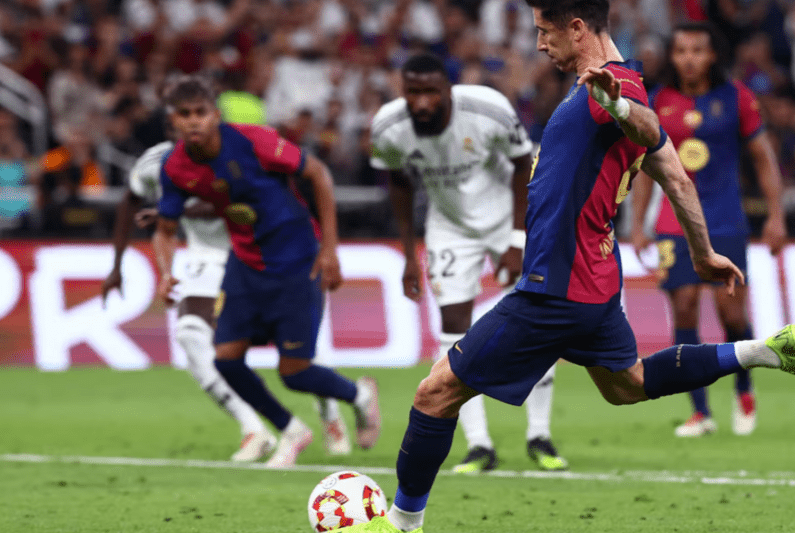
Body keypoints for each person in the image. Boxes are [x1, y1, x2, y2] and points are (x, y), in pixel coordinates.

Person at [321, 0, 795, 533]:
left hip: (555, 288)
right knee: (628, 385)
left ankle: (402, 525)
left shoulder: (612, 89)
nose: (540, 44)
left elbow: (641, 124)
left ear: (577, 28)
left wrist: (618, 108)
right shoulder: (604, 86)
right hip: (591, 282)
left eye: (546, 32)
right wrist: (703, 250)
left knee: (435, 393)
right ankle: (767, 349)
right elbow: (673, 172)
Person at [151, 74, 381, 468]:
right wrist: (165, 270)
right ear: (172, 120)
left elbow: (318, 175)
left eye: (200, 112)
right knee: (224, 359)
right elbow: (165, 229)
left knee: (294, 373)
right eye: (184, 114)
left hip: (296, 261)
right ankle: (292, 430)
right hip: (245, 263)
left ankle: (358, 396)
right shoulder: (175, 167)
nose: (193, 122)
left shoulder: (253, 141)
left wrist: (329, 250)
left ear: (214, 114)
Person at [370, 52, 568, 474]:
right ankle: (479, 445)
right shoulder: (389, 128)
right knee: (454, 330)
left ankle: (539, 435)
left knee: (541, 318)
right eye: (413, 93)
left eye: (430, 92)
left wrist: (517, 239)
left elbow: (523, 166)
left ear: (448, 90)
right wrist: (409, 254)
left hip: (508, 219)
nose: (421, 103)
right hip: (449, 229)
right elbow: (399, 185)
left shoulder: (486, 108)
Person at [102, 139, 354, 461]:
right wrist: (116, 265)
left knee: (295, 349)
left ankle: (329, 408)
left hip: (259, 250)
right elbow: (129, 200)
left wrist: (175, 210)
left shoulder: (239, 150)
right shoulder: (157, 162)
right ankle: (254, 429)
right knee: (191, 334)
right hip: (205, 255)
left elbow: (236, 204)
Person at [630, 22, 787, 438]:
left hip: (724, 219)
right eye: (681, 50)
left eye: (697, 50)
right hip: (672, 222)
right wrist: (638, 222)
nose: (689, 58)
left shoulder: (737, 97)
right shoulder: (657, 100)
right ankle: (700, 412)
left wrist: (776, 216)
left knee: (731, 312)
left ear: (712, 55)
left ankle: (744, 388)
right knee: (682, 307)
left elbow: (763, 158)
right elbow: (646, 167)